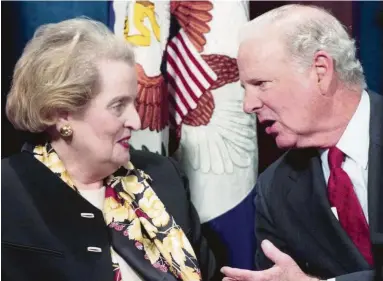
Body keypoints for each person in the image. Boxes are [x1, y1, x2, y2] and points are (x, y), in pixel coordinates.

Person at [1, 18, 216, 281]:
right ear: (61, 114)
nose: (137, 121)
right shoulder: (7, 191)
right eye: (118, 106)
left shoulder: (164, 176)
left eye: (134, 104)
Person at [221, 4, 382, 281]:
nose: (248, 105)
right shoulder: (274, 189)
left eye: (261, 84)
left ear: (320, 71)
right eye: (245, 89)